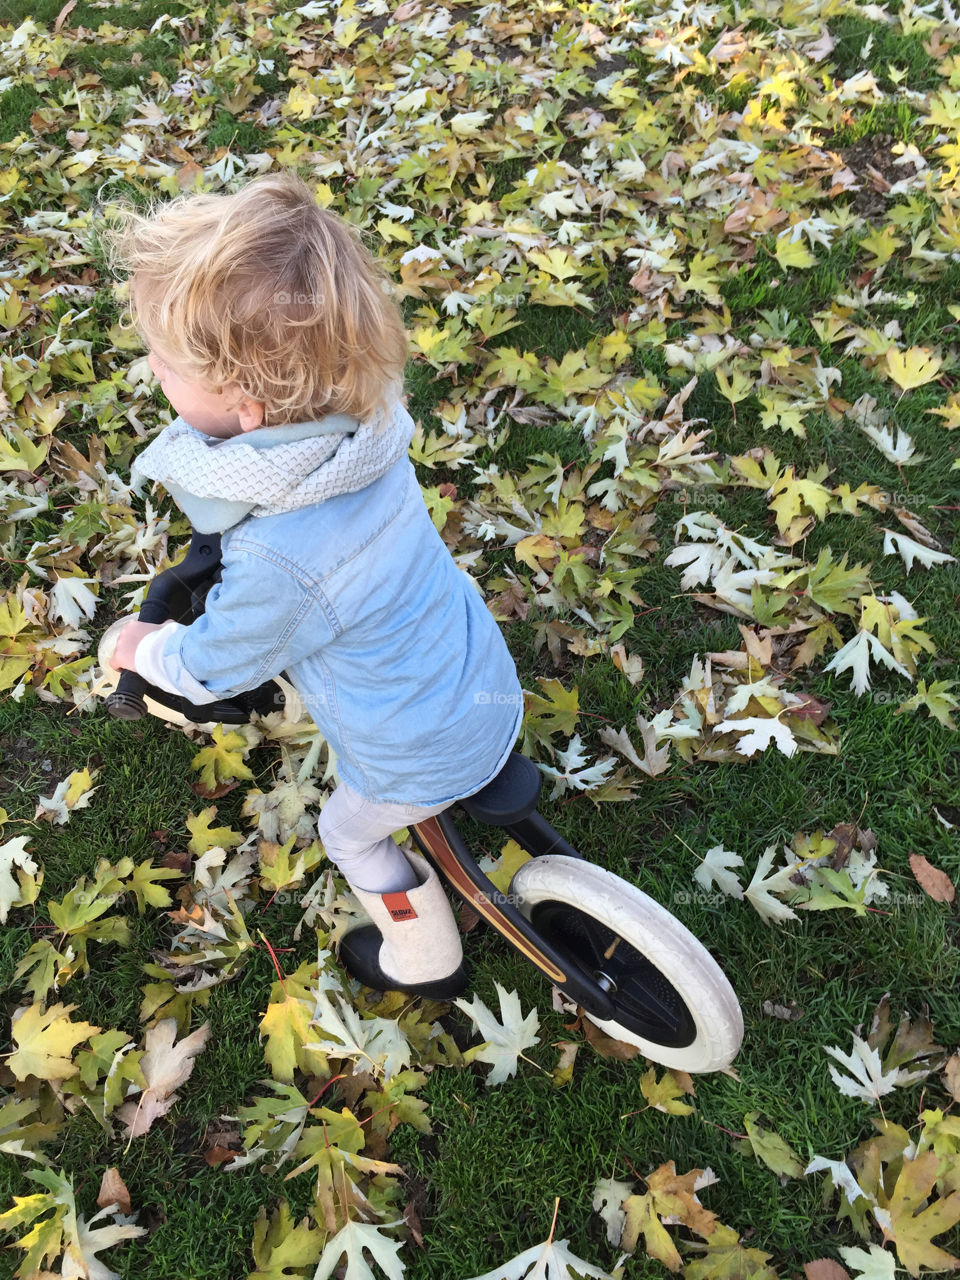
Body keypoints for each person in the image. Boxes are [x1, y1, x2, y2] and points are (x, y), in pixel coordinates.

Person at [104, 172, 523, 998]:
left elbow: (221, 665)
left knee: (349, 835)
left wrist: (146, 646)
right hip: (482, 677)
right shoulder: (370, 426)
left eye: (166, 363)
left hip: (413, 746)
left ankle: (425, 958)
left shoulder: (280, 565)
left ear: (248, 408)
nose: (152, 367)